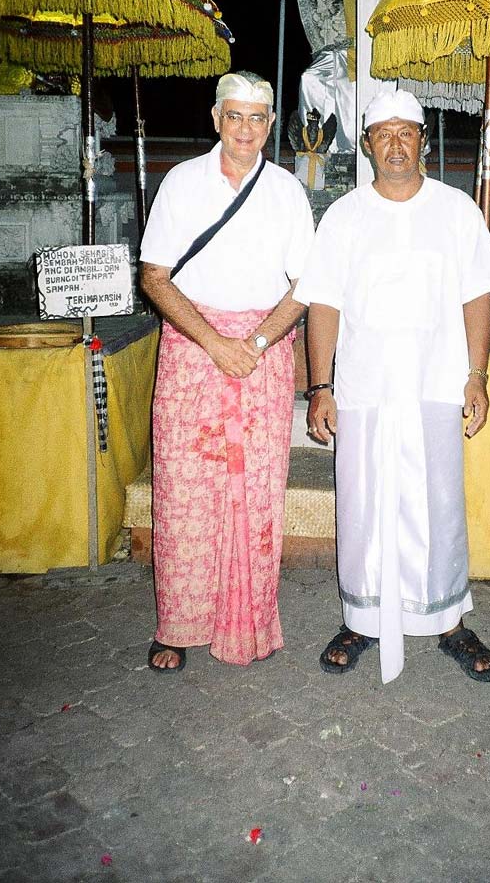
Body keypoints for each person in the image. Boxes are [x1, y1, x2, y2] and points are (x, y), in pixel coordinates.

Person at [294, 90, 490, 684]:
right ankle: (360, 619)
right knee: (362, 504)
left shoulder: (456, 210)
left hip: (436, 385)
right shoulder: (344, 216)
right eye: (383, 133)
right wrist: (321, 386)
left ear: (424, 142)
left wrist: (477, 375)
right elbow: (324, 306)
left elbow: (477, 296)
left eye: (406, 133)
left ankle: (449, 622)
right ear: (366, 143)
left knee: (439, 504)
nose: (395, 144)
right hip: (363, 388)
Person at [139, 71, 314, 673]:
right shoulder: (182, 182)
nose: (245, 129)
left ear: (270, 124)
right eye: (234, 116)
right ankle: (177, 625)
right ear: (215, 119)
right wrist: (215, 342)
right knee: (185, 491)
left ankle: (249, 619)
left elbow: (306, 285)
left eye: (257, 118)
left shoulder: (287, 189)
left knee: (254, 492)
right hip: (192, 352)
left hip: (262, 354)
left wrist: (259, 340)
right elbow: (155, 277)